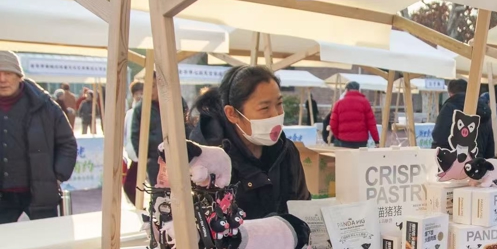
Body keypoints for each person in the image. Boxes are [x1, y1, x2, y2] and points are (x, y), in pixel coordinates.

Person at [191, 65, 309, 219]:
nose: (275, 115)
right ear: (232, 114)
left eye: (279, 104)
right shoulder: (209, 161)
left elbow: (303, 206)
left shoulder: (287, 151)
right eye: (264, 108)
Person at [0, 51, 76, 224]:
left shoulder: (45, 105)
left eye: (8, 73)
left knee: (48, 238)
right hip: (2, 197)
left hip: (40, 194)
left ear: (19, 76)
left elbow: (67, 143)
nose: (2, 79)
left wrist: (56, 176)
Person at [130, 73, 188, 187]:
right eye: (146, 86)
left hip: (178, 157)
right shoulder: (141, 108)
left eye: (153, 86)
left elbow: (187, 126)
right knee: (159, 193)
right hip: (154, 160)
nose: (149, 90)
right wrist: (145, 159)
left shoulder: (177, 101)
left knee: (180, 191)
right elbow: (135, 135)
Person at [432, 79, 495, 159]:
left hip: (453, 162)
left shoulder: (449, 108)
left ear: (450, 94)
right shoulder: (482, 110)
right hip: (478, 162)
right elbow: (490, 145)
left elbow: (439, 136)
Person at [328, 81, 379, 148]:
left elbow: (333, 124)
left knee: (345, 155)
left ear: (346, 90)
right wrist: (376, 140)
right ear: (358, 90)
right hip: (361, 140)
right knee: (360, 155)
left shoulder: (338, 104)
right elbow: (371, 124)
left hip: (344, 140)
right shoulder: (365, 103)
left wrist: (338, 136)